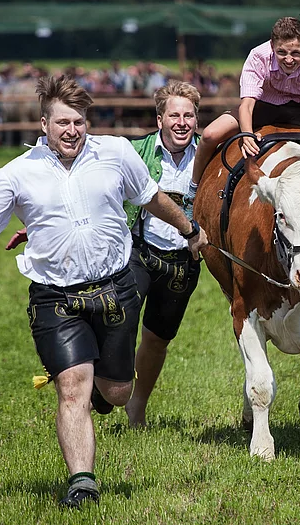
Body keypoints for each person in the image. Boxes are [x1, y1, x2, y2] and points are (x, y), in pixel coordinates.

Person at [0, 75, 208, 509]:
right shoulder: (16, 173)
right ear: (44, 124)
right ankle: (82, 482)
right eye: (62, 123)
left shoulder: (115, 153)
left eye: (78, 122)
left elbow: (152, 198)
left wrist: (189, 229)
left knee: (117, 392)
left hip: (115, 289)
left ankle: (103, 390)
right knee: (72, 387)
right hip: (56, 297)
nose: (72, 131)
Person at [189, 16, 300, 190]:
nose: (289, 59)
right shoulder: (258, 56)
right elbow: (247, 104)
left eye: (296, 53)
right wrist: (247, 134)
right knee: (209, 135)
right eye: (281, 52)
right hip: (264, 106)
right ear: (271, 46)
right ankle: (193, 190)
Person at [122, 81, 204, 428]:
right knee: (120, 324)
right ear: (160, 120)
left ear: (197, 120)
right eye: (174, 115)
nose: (182, 123)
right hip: (138, 251)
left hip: (184, 261)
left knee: (157, 339)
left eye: (189, 116)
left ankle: (136, 407)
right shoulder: (134, 151)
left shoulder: (209, 156)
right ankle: (107, 389)